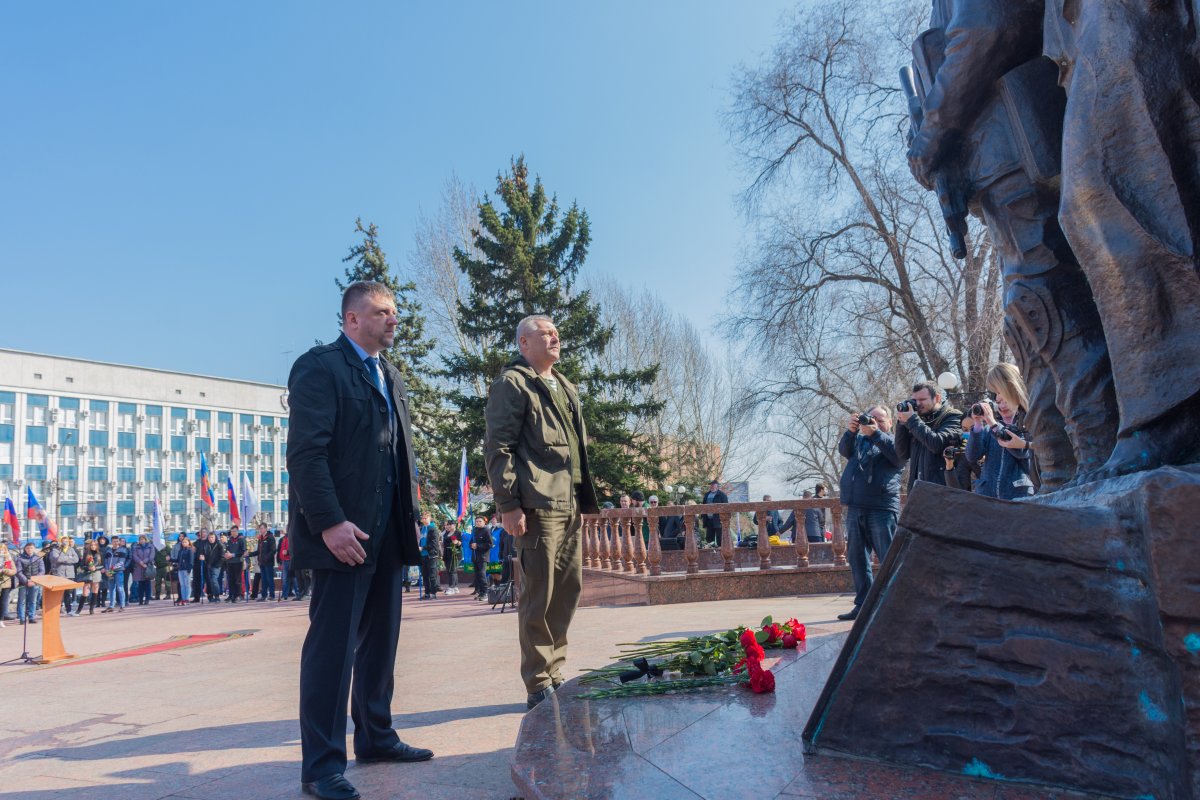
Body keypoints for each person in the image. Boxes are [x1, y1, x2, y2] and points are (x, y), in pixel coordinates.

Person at [906, 0, 1117, 489]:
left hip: (1016, 142)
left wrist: (933, 131)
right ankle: (1066, 473)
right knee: (1027, 320)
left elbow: (987, 25)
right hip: (994, 161)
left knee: (1042, 301)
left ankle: (1097, 462)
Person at [288, 280, 431, 800]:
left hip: (387, 531)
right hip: (343, 534)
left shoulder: (390, 374)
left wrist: (410, 516)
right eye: (381, 311)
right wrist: (329, 521)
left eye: (394, 311)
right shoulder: (320, 367)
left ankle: (376, 736)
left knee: (381, 642)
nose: (393, 319)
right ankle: (322, 767)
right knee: (332, 649)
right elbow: (307, 453)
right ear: (351, 319)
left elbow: (395, 454)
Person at [484, 314, 601, 710]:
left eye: (556, 332)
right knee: (539, 594)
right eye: (544, 333)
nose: (554, 336)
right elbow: (498, 448)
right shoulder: (513, 384)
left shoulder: (564, 385)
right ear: (523, 344)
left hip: (569, 505)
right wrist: (509, 505)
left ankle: (554, 670)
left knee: (567, 592)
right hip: (537, 506)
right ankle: (537, 682)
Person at [836, 406, 904, 621]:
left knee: (889, 559)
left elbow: (897, 457)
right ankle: (863, 605)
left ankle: (895, 606)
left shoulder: (895, 441)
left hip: (882, 508)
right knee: (857, 560)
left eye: (880, 419)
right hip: (855, 506)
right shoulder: (859, 441)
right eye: (871, 419)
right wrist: (851, 431)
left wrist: (875, 433)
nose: (874, 422)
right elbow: (844, 450)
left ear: (890, 422)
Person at [966, 364, 1037, 499]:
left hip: (1019, 495)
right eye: (998, 399)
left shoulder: (1028, 421)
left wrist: (993, 423)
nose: (1001, 405)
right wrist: (977, 424)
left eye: (1004, 399)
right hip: (987, 495)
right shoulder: (989, 427)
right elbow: (972, 456)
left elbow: (1021, 451)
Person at [895, 381, 964, 491]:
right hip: (917, 493)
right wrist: (902, 424)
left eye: (922, 400)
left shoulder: (953, 416)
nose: (917, 404)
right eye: (915, 400)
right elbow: (902, 454)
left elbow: (936, 444)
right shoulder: (917, 422)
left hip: (941, 494)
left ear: (937, 398)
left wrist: (912, 420)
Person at [48, 537, 80, 614]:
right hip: (60, 574)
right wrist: (68, 557)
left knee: (68, 592)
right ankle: (58, 608)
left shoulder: (71, 549)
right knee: (59, 592)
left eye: (67, 541)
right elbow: (57, 559)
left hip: (69, 574)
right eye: (63, 541)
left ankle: (68, 609)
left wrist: (65, 558)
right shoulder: (55, 550)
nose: (65, 543)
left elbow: (76, 559)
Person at [15, 541, 44, 624]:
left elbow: (42, 571)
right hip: (23, 583)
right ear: (25, 549)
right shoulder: (20, 558)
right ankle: (22, 618)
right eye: (27, 548)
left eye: (31, 548)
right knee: (22, 601)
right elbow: (19, 571)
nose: (29, 549)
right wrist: (26, 581)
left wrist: (34, 580)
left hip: (35, 583)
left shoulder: (38, 558)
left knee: (33, 600)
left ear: (34, 549)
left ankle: (31, 617)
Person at [103, 536, 129, 613]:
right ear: (111, 542)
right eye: (114, 541)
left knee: (120, 588)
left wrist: (111, 570)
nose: (115, 542)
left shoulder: (122, 550)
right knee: (111, 589)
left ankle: (122, 605)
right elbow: (106, 561)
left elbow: (121, 562)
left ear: (119, 542)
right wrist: (107, 570)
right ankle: (111, 606)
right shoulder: (108, 551)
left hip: (118, 572)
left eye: (117, 541)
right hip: (110, 573)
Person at [77, 538, 103, 615]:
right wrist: (88, 567)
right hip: (88, 574)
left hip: (96, 573)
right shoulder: (86, 554)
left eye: (94, 545)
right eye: (91, 545)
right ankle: (79, 610)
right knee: (85, 592)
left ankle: (91, 609)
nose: (93, 546)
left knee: (95, 591)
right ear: (89, 546)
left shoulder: (100, 554)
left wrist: (95, 568)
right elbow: (81, 566)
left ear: (97, 546)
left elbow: (102, 565)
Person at [470, 516, 493, 600]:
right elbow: (471, 543)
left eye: (480, 521)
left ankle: (485, 593)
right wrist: (472, 545)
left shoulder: (486, 530)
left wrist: (478, 546)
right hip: (475, 556)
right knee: (477, 575)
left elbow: (490, 544)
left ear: (484, 522)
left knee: (482, 575)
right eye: (476, 521)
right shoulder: (475, 530)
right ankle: (480, 592)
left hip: (483, 557)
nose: (478, 523)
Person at [701, 480, 729, 548]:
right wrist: (703, 517)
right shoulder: (707, 495)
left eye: (713, 485)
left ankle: (721, 549)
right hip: (708, 519)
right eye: (711, 485)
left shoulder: (722, 495)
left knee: (720, 536)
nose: (712, 486)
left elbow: (726, 507)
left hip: (718, 519)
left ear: (717, 486)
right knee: (709, 537)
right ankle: (710, 549)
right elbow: (703, 506)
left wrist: (725, 518)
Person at [130, 535, 156, 606]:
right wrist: (140, 562)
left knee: (147, 584)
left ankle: (147, 599)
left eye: (143, 539)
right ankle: (140, 600)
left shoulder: (150, 547)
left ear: (145, 540)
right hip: (139, 567)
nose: (141, 541)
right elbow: (134, 556)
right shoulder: (136, 547)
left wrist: (144, 562)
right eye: (140, 539)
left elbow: (151, 556)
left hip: (147, 567)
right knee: (140, 585)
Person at [256, 523, 277, 600]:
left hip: (268, 563)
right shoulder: (260, 538)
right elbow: (258, 551)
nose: (260, 530)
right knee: (264, 580)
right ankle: (264, 596)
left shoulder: (270, 537)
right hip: (262, 563)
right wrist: (249, 554)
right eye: (260, 528)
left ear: (266, 528)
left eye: (262, 528)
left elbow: (273, 550)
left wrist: (266, 558)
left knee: (269, 579)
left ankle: (272, 595)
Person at [422, 519, 442, 599]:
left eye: (425, 518)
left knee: (432, 575)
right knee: (425, 575)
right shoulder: (421, 528)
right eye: (422, 518)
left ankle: (433, 593)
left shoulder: (433, 529)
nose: (424, 520)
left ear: (429, 518)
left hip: (432, 555)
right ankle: (427, 593)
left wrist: (423, 547)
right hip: (423, 555)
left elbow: (434, 544)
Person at [441, 520, 462, 595]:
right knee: (450, 571)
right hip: (447, 554)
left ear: (454, 525)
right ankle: (455, 587)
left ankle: (451, 587)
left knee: (452, 570)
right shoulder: (446, 533)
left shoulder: (458, 533)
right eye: (448, 525)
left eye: (451, 525)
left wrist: (457, 542)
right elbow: (444, 543)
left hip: (455, 554)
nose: (449, 526)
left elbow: (461, 543)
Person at [174, 534, 195, 605]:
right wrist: (170, 559)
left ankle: (187, 598)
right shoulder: (181, 551)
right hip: (180, 569)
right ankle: (183, 598)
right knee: (182, 585)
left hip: (187, 569)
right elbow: (177, 560)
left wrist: (189, 569)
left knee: (187, 584)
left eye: (185, 542)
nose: (184, 543)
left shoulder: (190, 550)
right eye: (183, 542)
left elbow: (191, 561)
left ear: (189, 542)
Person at [0, 542, 15, 627]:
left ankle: (1, 620)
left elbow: (14, 571)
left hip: (5, 584)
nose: (1, 551)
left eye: (3, 549)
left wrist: (4, 570)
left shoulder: (8, 559)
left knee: (3, 602)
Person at [278, 528, 294, 600]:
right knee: (284, 579)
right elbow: (279, 550)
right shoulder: (282, 539)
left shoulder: (292, 538)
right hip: (284, 560)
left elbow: (294, 549)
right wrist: (279, 561)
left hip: (291, 560)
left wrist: (287, 552)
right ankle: (284, 594)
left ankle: (297, 593)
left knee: (294, 578)